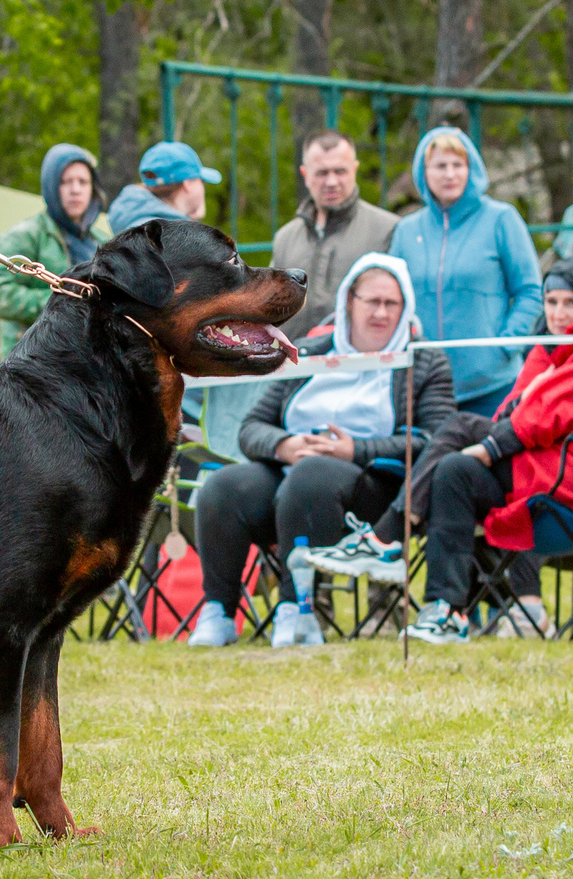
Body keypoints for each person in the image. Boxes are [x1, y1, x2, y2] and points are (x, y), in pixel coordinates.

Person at [188, 254, 453, 648]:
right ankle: (219, 611)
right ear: (349, 301)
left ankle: (297, 610)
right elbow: (252, 428)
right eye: (371, 301)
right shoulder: (309, 351)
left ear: (405, 308)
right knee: (225, 487)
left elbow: (435, 440)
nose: (380, 312)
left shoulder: (425, 360)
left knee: (312, 477)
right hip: (292, 468)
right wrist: (284, 445)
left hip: (372, 483)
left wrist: (354, 450)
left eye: (391, 303)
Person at [404, 250, 573, 645]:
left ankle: (392, 533)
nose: (559, 313)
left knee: (464, 438)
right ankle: (443, 610)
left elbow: (545, 417)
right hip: (549, 469)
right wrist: (496, 438)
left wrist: (490, 447)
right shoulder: (555, 346)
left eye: (571, 302)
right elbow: (514, 412)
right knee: (454, 468)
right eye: (551, 301)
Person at [386, 126, 542, 415]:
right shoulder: (406, 231)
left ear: (471, 169)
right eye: (440, 166)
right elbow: (393, 298)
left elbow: (530, 291)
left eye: (458, 164)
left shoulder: (501, 219)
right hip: (426, 387)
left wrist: (507, 345)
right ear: (424, 173)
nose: (450, 174)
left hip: (493, 384)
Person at [269, 131, 400, 337]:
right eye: (322, 173)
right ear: (305, 175)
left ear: (354, 170)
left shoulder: (387, 230)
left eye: (340, 171)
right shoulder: (285, 238)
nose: (331, 182)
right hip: (296, 362)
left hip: (357, 362)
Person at [0, 144, 109, 358]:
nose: (76, 190)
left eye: (83, 182)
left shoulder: (102, 241)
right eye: (65, 182)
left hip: (90, 359)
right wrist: (64, 299)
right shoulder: (24, 236)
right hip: (33, 361)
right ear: (51, 186)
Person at [107, 141, 220, 235]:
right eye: (202, 182)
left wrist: (190, 220)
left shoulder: (133, 225)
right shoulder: (168, 238)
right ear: (188, 184)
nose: (203, 189)